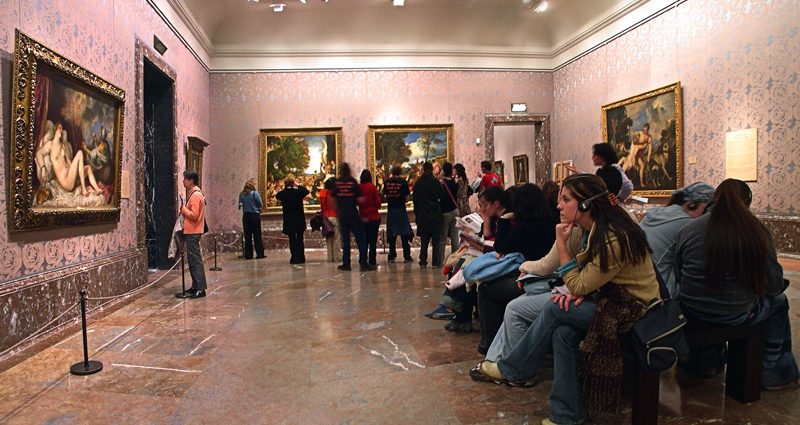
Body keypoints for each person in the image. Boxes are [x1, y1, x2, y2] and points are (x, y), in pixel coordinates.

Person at [474, 174, 659, 425]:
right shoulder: (591, 229)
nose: (558, 206)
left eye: (566, 200)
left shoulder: (613, 235)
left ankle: (513, 369)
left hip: (631, 309)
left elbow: (579, 281)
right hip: (610, 298)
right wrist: (578, 291)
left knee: (553, 309)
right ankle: (568, 415)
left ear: (586, 205)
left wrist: (563, 250)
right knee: (563, 332)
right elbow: (586, 280)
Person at [674, 179, 800, 389]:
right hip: (737, 313)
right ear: (747, 201)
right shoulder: (757, 231)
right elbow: (772, 285)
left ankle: (707, 362)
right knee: (779, 301)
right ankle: (773, 372)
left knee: (710, 298)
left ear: (713, 200)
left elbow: (680, 274)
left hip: (692, 309)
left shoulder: (689, 229)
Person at [475, 184, 559, 352]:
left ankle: (490, 343)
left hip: (535, 278)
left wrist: (505, 219)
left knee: (486, 288)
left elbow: (500, 247)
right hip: (551, 277)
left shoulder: (524, 228)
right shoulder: (554, 223)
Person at [639, 181, 714, 297]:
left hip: (642, 284)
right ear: (691, 205)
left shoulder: (656, 213)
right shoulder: (688, 225)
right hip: (661, 290)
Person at [334, 163, 374, 271]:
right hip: (353, 214)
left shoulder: (337, 183)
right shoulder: (352, 182)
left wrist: (339, 208)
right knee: (361, 239)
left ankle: (346, 263)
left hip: (342, 215)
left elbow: (332, 199)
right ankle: (363, 262)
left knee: (345, 241)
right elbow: (360, 199)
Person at [566, 142, 633, 202]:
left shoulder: (614, 168)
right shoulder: (605, 170)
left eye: (594, 155)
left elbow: (628, 186)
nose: (592, 158)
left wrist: (620, 198)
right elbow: (593, 178)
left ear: (602, 156)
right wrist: (577, 171)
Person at [180, 170, 208, 299]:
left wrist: (183, 209)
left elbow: (194, 214)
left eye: (185, 179)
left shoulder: (196, 195)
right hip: (192, 230)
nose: (183, 181)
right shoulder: (194, 194)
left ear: (191, 180)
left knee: (195, 260)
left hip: (194, 230)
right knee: (192, 260)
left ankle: (200, 288)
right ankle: (195, 286)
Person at [413, 162, 445, 269]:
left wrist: (417, 215)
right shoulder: (435, 181)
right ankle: (436, 262)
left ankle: (423, 261)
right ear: (431, 169)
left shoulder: (418, 182)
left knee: (424, 240)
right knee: (436, 239)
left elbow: (415, 200)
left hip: (423, 214)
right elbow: (442, 194)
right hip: (435, 213)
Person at [275, 176, 309, 264]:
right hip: (299, 219)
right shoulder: (298, 192)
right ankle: (301, 257)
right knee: (300, 238)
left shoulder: (283, 194)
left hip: (289, 220)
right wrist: (298, 185)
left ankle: (294, 257)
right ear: (293, 183)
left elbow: (277, 195)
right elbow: (306, 191)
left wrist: (285, 188)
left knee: (292, 239)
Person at [383, 166, 414, 263]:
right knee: (404, 234)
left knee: (392, 235)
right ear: (400, 172)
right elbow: (406, 198)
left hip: (391, 210)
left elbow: (385, 195)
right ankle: (407, 256)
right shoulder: (403, 182)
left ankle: (391, 255)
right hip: (401, 209)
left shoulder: (387, 182)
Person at [437, 162, 460, 266]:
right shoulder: (455, 181)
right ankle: (455, 260)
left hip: (445, 212)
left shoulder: (441, 183)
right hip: (455, 210)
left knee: (443, 238)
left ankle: (441, 260)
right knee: (455, 237)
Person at [359, 169, 382, 267]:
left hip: (362, 217)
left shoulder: (359, 187)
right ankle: (372, 261)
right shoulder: (372, 187)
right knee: (373, 241)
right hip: (373, 217)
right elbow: (378, 203)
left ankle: (363, 260)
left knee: (363, 241)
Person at [238, 178, 265, 260]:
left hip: (246, 216)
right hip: (255, 215)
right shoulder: (255, 194)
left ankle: (248, 254)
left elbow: (240, 205)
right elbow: (260, 204)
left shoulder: (241, 194)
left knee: (247, 236)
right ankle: (259, 253)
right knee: (257, 235)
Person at [319, 178, 342, 263]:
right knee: (337, 238)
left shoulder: (322, 192)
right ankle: (337, 257)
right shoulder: (335, 193)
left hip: (326, 217)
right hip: (335, 217)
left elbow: (322, 206)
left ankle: (330, 257)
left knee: (329, 238)